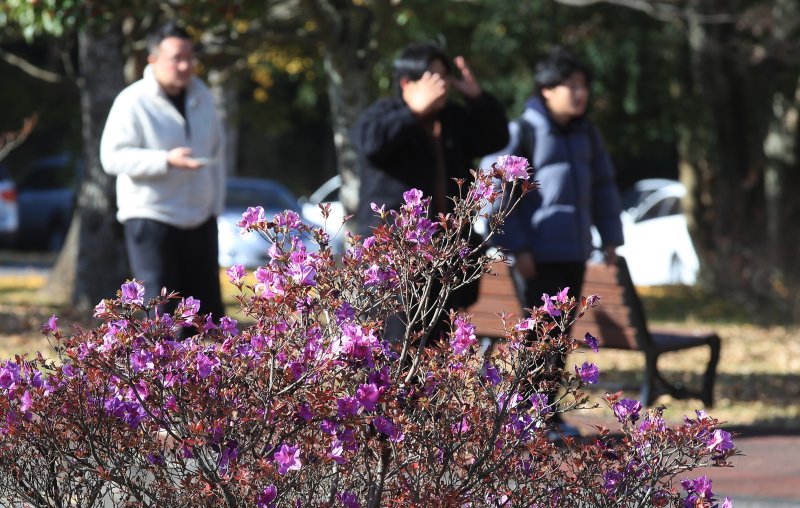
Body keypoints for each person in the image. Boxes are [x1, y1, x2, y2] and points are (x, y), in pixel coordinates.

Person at [492, 46, 625, 432]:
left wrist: (611, 239)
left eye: (584, 85)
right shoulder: (525, 130)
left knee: (560, 337)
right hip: (538, 255)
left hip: (574, 252)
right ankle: (527, 415)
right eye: (571, 85)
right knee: (537, 336)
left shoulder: (587, 134)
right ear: (547, 89)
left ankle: (545, 412)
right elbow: (505, 194)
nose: (580, 93)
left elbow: (604, 188)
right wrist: (518, 247)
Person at [351, 42, 509, 343]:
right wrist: (413, 111)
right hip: (397, 258)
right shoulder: (384, 114)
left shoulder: (451, 118)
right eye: (432, 77)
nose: (441, 85)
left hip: (446, 256)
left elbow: (495, 137)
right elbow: (371, 145)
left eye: (444, 77)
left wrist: (478, 98)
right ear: (406, 82)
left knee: (436, 349)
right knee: (396, 346)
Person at [100, 21, 225, 322]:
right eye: (176, 58)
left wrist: (214, 208)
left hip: (200, 219)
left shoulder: (203, 96)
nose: (184, 65)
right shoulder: (132, 101)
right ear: (153, 59)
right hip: (152, 218)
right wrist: (165, 160)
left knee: (205, 320)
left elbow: (218, 153)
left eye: (189, 58)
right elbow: (112, 158)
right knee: (162, 317)